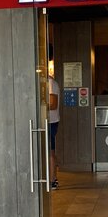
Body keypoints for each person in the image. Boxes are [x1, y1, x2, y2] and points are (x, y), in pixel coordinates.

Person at [48, 53, 60, 189]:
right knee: (48, 151)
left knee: (50, 151)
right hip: (47, 121)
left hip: (50, 121)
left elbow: (53, 104)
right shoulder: (45, 82)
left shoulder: (50, 82)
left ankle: (53, 180)